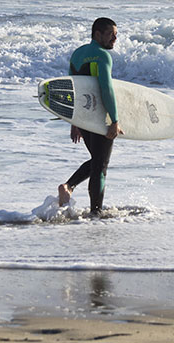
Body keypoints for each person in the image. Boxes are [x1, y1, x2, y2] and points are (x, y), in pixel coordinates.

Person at [58, 18, 123, 216]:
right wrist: (114, 120)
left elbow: (73, 89)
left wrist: (74, 121)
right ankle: (96, 212)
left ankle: (69, 187)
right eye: (111, 34)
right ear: (97, 34)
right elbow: (106, 88)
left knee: (97, 160)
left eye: (116, 35)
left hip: (84, 116)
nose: (114, 39)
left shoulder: (77, 54)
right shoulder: (102, 56)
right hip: (99, 116)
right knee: (101, 165)